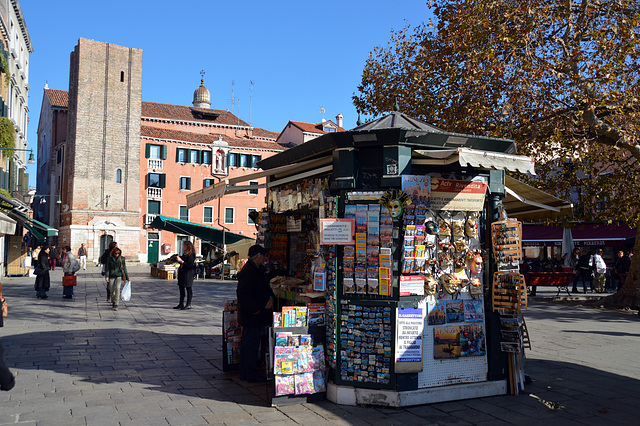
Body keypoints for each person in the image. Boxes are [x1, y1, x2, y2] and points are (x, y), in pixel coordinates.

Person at [236, 244, 274, 382]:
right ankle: (250, 374)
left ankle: (246, 372)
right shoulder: (249, 271)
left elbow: (264, 287)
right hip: (251, 315)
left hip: (253, 315)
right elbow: (243, 294)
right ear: (257, 256)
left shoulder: (257, 269)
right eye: (263, 256)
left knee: (249, 344)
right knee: (250, 345)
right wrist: (255, 309)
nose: (265, 258)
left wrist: (270, 298)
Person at [105, 246, 128, 311]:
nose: (117, 254)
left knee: (117, 288)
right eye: (115, 253)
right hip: (111, 275)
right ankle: (113, 300)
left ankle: (116, 304)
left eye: (118, 253)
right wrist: (107, 276)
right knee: (111, 290)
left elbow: (124, 268)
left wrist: (127, 277)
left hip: (119, 275)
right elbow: (107, 268)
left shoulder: (122, 259)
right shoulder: (109, 259)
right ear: (113, 253)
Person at [174, 241, 196, 310]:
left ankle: (188, 304)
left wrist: (181, 261)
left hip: (188, 274)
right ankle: (181, 303)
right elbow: (182, 261)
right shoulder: (185, 254)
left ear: (188, 246)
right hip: (182, 273)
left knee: (188, 288)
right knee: (181, 288)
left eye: (185, 246)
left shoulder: (192, 255)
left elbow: (189, 265)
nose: (184, 247)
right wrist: (178, 259)